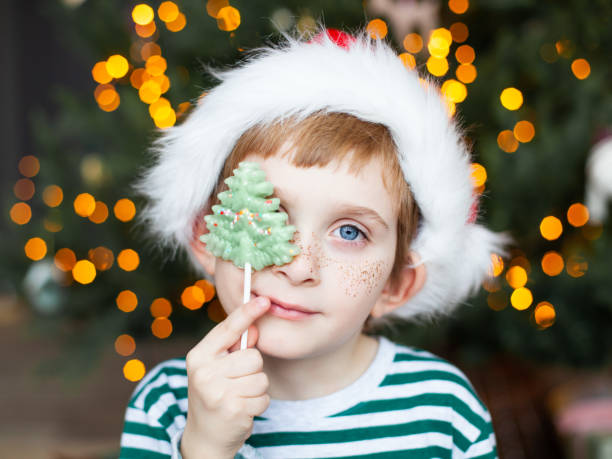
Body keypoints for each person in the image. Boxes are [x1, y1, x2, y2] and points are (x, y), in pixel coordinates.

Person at [119, 23, 509, 459]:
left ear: (396, 285)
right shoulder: (168, 405)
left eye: (349, 232)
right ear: (205, 238)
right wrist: (205, 447)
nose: (299, 266)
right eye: (268, 213)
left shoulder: (442, 409)